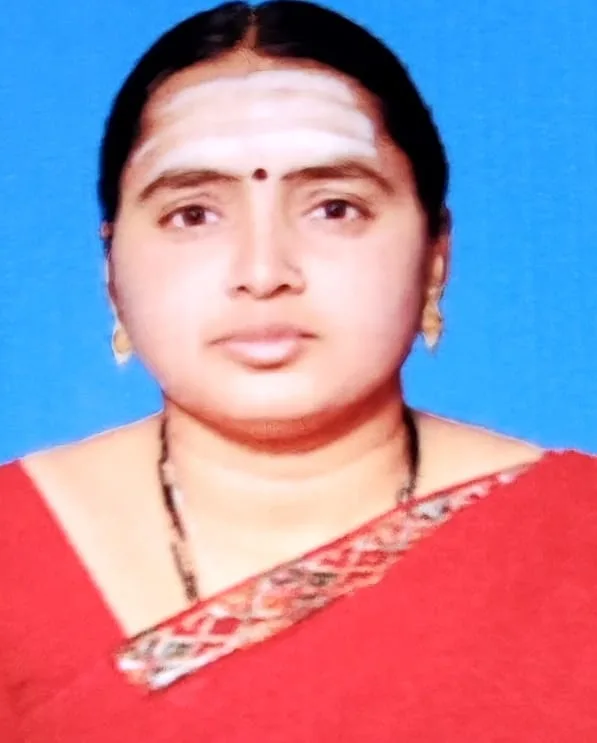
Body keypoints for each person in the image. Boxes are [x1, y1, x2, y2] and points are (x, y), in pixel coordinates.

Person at [1, 1, 595, 740]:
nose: (263, 271)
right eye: (193, 214)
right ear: (111, 270)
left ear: (436, 256)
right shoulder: (12, 551)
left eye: (334, 208)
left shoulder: (576, 541)